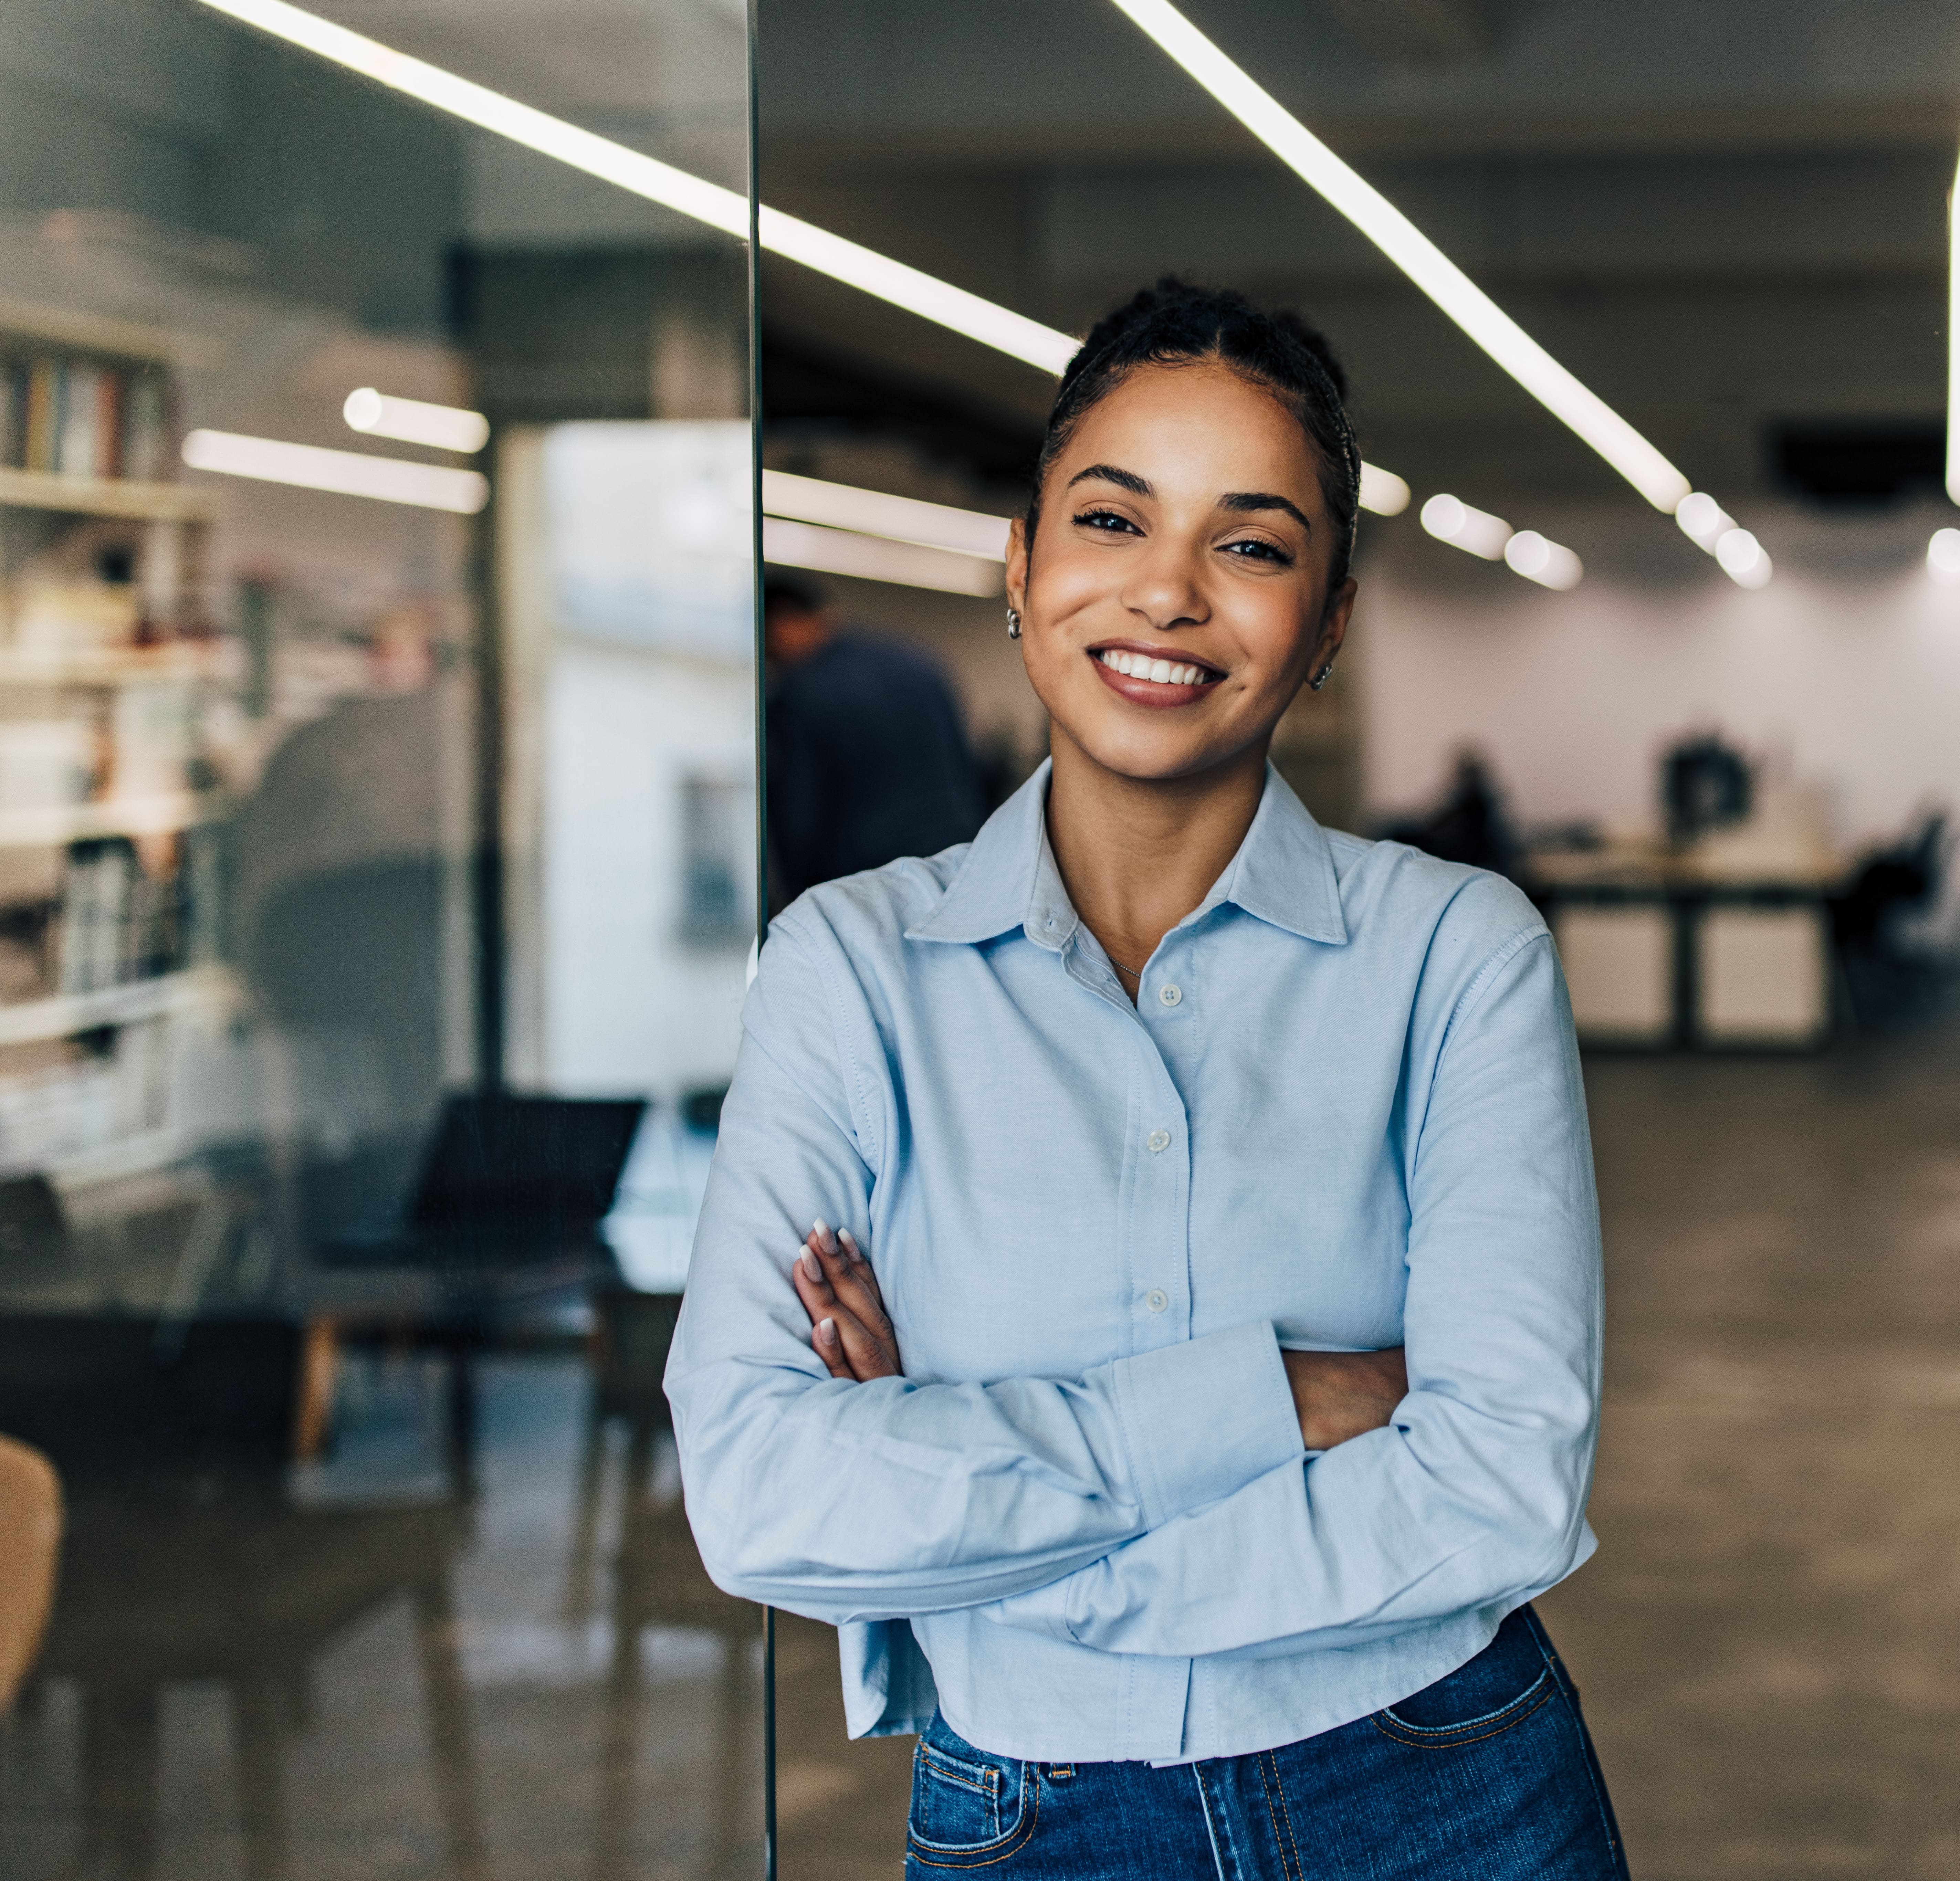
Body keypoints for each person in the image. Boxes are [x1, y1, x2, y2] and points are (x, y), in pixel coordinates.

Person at [666, 279, 1622, 1878]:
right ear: (1023, 567)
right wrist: (1280, 1401)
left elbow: (1501, 1482)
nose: (1168, 592)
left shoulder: (1455, 955)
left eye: (1249, 544)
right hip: (1026, 1818)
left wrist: (977, 1510)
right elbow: (762, 1492)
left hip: (1441, 1791)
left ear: (1324, 624)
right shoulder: (847, 970)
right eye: (1113, 519)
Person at [762, 572, 989, 912]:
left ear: (781, 625)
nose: (771, 660)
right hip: (957, 864)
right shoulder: (919, 663)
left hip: (866, 885)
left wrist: (799, 903)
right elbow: (966, 765)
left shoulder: (801, 690)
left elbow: (801, 816)